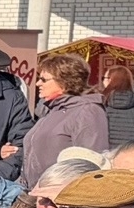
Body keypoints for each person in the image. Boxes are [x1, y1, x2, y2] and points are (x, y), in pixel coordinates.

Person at [21, 53, 108, 187]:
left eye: (43, 79)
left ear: (65, 82)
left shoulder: (87, 111)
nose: (38, 83)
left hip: (62, 196)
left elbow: (91, 161)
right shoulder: (52, 110)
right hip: (37, 194)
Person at [101, 61, 134, 151]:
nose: (103, 81)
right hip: (133, 149)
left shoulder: (103, 101)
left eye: (105, 78)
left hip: (107, 150)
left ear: (111, 80)